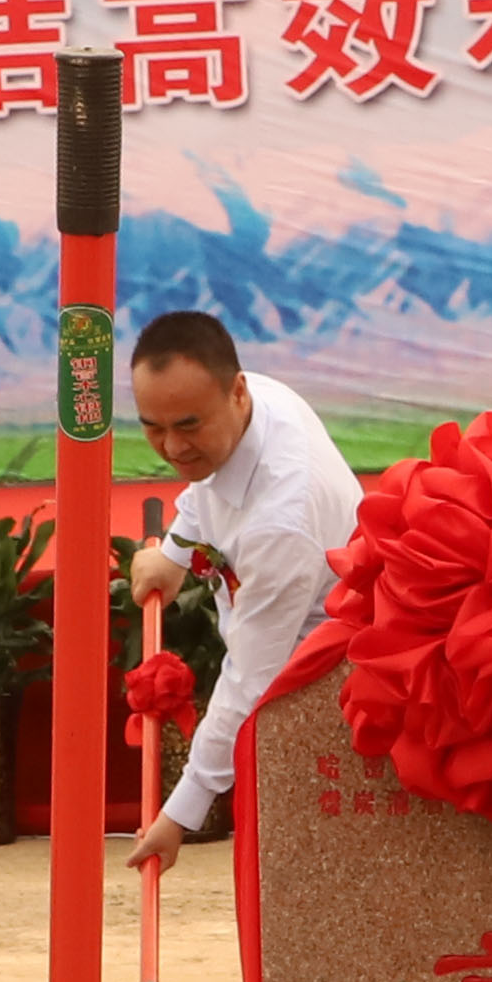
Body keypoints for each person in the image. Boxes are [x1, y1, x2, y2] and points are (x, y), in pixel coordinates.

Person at [121, 309, 353, 882]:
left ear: (238, 392)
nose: (172, 446)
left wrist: (181, 813)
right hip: (283, 657)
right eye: (153, 427)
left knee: (308, 881)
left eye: (188, 426)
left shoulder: (283, 521)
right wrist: (175, 554)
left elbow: (251, 679)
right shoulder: (251, 407)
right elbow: (208, 483)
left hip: (327, 690)